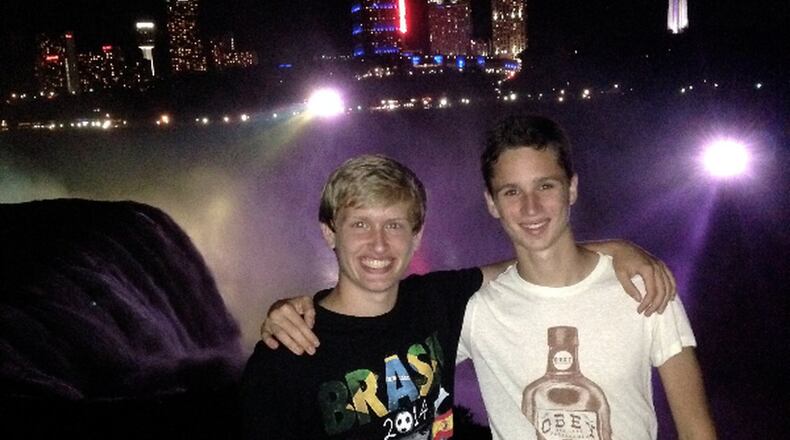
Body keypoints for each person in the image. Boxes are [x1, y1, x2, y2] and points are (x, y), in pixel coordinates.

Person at [243, 154, 675, 439]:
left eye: (394, 225)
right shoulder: (287, 351)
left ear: (417, 237)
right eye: (359, 225)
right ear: (329, 233)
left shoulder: (437, 301)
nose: (378, 245)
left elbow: (531, 263)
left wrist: (616, 249)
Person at [455, 115, 716, 439]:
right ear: (491, 203)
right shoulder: (477, 312)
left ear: (572, 188)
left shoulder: (642, 286)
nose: (531, 207)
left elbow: (696, 429)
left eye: (545, 186)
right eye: (512, 192)